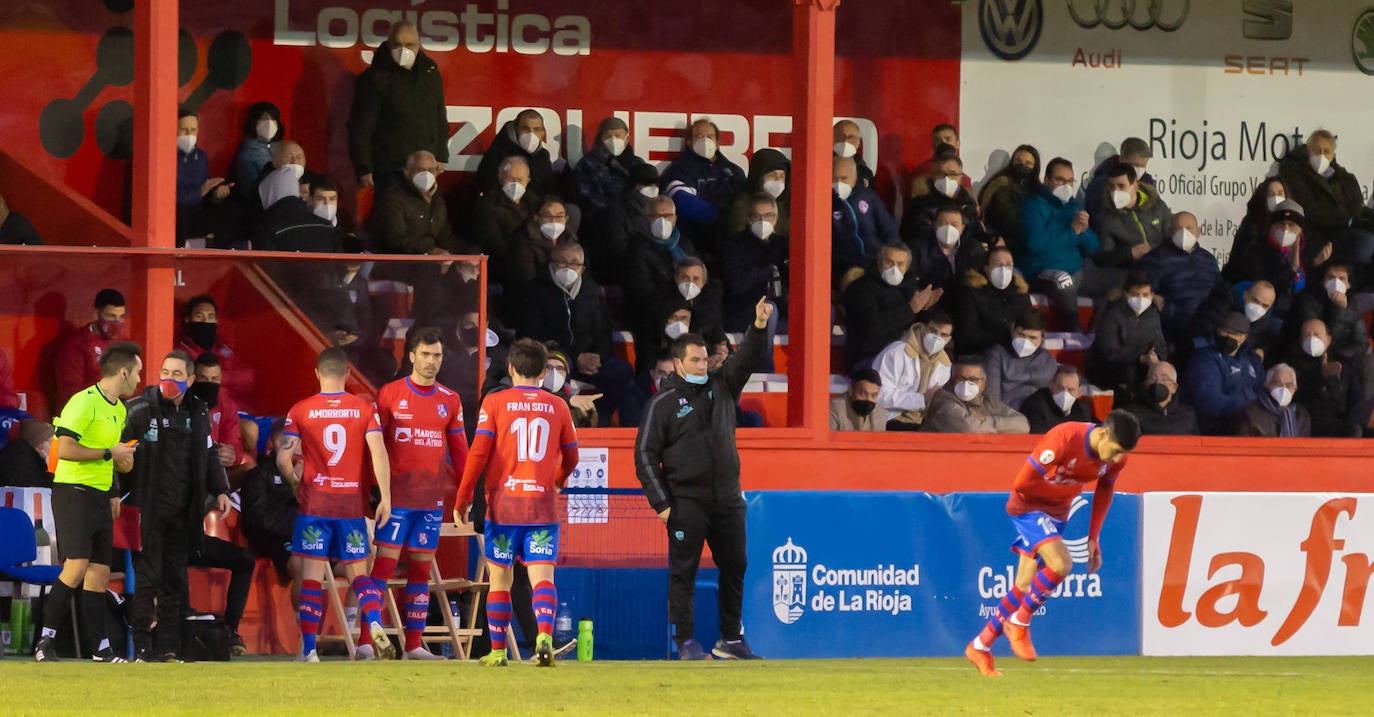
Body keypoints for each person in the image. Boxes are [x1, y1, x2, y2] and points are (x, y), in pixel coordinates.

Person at [634, 297, 772, 661]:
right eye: (693, 359)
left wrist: (758, 326)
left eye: (704, 358)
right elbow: (644, 456)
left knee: (736, 565)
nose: (701, 364)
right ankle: (686, 642)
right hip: (685, 502)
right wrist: (663, 505)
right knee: (685, 571)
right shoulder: (661, 404)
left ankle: (730, 638)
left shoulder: (724, 384)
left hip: (728, 499)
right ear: (678, 363)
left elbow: (747, 358)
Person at [964, 410, 1141, 677]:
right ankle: (1020, 622)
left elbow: (1105, 489)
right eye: (1114, 451)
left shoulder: (1116, 457)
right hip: (1028, 507)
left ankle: (980, 645)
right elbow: (1022, 483)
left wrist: (1094, 536)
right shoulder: (1065, 437)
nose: (1116, 459)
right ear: (1103, 433)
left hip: (1057, 513)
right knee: (1061, 563)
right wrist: (1063, 491)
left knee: (1023, 583)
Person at [454, 338, 580, 667]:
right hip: (542, 505)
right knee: (542, 579)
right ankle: (544, 638)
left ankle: (497, 651)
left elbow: (478, 453)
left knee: (500, 580)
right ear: (542, 371)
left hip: (504, 506)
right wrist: (559, 479)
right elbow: (573, 456)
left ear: (511, 369)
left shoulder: (495, 403)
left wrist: (463, 496)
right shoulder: (558, 406)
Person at [356, 327, 468, 661]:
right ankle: (366, 641)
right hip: (396, 501)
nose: (432, 362)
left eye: (437, 356)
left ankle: (414, 645)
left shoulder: (450, 399)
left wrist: (466, 495)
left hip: (430, 502)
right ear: (411, 356)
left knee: (420, 573)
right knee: (383, 570)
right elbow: (373, 448)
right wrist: (373, 492)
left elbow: (461, 451)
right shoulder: (390, 395)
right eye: (426, 355)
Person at [277, 348, 394, 662]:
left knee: (312, 576)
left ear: (317, 373)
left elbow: (283, 459)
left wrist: (294, 482)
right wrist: (385, 497)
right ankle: (374, 622)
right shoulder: (363, 408)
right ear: (347, 374)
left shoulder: (300, 410)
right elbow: (379, 453)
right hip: (349, 506)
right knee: (359, 575)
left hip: (315, 504)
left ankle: (309, 650)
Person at [34, 341, 142, 662]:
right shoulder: (82, 403)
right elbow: (63, 449)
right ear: (123, 372)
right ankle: (45, 642)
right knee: (77, 566)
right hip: (73, 492)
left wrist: (114, 486)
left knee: (99, 573)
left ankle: (102, 650)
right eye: (137, 372)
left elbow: (118, 460)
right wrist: (111, 453)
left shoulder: (120, 410)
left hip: (99, 496)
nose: (139, 379)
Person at [121, 350, 231, 662]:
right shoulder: (140, 408)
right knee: (147, 580)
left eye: (177, 374)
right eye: (165, 372)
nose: (169, 379)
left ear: (191, 380)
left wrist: (221, 489)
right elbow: (118, 454)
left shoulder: (199, 411)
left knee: (174, 582)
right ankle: (142, 647)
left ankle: (168, 648)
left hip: (184, 513)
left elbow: (210, 454)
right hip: (147, 510)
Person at [517, 241, 632, 425]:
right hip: (554, 358)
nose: (568, 267)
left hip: (587, 361)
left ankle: (599, 420)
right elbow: (533, 335)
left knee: (621, 371)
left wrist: (597, 357)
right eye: (562, 261)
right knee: (555, 371)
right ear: (551, 264)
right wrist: (574, 357)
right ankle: (560, 423)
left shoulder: (592, 291)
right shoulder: (535, 291)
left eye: (574, 263)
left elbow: (603, 331)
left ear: (582, 268)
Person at [348, 21, 450, 190]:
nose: (403, 50)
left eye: (409, 44)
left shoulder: (429, 71)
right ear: (389, 44)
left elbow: (439, 114)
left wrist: (440, 155)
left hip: (425, 167)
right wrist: (364, 167)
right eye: (397, 44)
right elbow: (361, 127)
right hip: (390, 167)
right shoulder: (375, 78)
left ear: (418, 45)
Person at [1019, 158, 1099, 331]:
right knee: (1063, 281)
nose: (1066, 185)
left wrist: (1083, 231)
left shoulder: (1074, 205)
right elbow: (1035, 244)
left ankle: (1098, 331)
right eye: (1060, 180)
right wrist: (1072, 232)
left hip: (1076, 270)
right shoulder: (1032, 205)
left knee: (1115, 280)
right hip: (1042, 270)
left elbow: (1093, 248)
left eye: (1070, 181)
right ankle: (1074, 332)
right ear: (1047, 180)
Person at [842, 243, 941, 370]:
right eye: (889, 262)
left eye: (900, 264)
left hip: (904, 356)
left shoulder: (909, 287)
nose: (894, 268)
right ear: (879, 262)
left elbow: (916, 325)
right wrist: (910, 309)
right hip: (868, 358)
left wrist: (926, 308)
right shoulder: (860, 288)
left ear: (907, 267)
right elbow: (871, 327)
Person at [1277, 129, 1369, 264]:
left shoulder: (1344, 178)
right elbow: (1311, 210)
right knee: (1363, 246)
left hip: (1343, 233)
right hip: (1313, 235)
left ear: (1333, 155)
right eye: (1316, 150)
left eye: (1326, 151)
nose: (1321, 155)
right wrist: (1345, 218)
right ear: (1307, 151)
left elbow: (1356, 208)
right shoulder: (1294, 175)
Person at [659, 118, 746, 258]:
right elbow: (682, 201)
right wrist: (723, 218)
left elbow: (745, 201)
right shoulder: (679, 169)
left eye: (710, 136)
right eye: (699, 136)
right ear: (688, 141)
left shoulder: (733, 171)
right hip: (693, 243)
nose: (705, 140)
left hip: (729, 244)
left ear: (717, 143)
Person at [1137, 211, 1221, 350]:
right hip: (1173, 332)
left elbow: (1220, 293)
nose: (1184, 233)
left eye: (1189, 228)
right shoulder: (1155, 259)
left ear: (1198, 231)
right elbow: (1147, 294)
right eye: (1178, 228)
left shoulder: (1208, 259)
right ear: (1170, 231)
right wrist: (1168, 310)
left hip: (1206, 330)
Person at [1085, 164, 1171, 298]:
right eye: (1112, 187)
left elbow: (1169, 238)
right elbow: (1103, 258)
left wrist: (1155, 251)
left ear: (1135, 185)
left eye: (1121, 186)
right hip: (1130, 274)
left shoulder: (1157, 206)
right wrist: (1130, 253)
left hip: (1162, 267)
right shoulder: (1106, 218)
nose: (1116, 191)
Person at [1222, 199, 1325, 308]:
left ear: (1300, 230)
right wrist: (1291, 269)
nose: (1286, 229)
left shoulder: (1309, 254)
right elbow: (1265, 289)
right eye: (1281, 224)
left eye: (1291, 225)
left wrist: (1312, 265)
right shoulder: (1257, 251)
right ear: (1271, 227)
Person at [1085, 272, 1168, 402]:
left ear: (1152, 296)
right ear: (1126, 294)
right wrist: (1140, 357)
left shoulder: (1153, 316)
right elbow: (1109, 351)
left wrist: (1156, 358)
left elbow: (1160, 345)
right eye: (1135, 294)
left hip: (1141, 368)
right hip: (1109, 370)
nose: (1140, 299)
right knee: (1129, 374)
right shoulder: (1111, 314)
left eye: (1145, 295)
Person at [1278, 319, 1363, 438]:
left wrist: (1332, 379)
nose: (1312, 339)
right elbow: (1294, 396)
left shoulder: (1343, 363)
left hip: (1338, 421)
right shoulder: (1291, 364)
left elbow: (1354, 398)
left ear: (1328, 340)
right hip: (1306, 420)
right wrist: (1319, 376)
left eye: (1316, 335)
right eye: (1306, 335)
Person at [1184, 312, 1264, 435]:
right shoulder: (1204, 358)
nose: (1228, 337)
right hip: (1217, 429)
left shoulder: (1252, 359)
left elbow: (1262, 390)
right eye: (1225, 331)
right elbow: (1209, 401)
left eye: (1235, 334)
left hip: (1250, 425)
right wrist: (1248, 408)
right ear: (1217, 330)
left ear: (1244, 337)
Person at [872, 316, 954, 431]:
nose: (937, 338)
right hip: (890, 421)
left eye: (944, 335)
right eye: (933, 331)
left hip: (924, 424)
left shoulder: (945, 365)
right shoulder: (896, 352)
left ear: (949, 339)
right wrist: (921, 399)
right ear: (923, 328)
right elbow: (879, 395)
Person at [723, 193, 788, 334]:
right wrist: (767, 269)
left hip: (781, 311)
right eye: (757, 216)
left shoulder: (783, 244)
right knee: (768, 310)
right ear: (748, 219)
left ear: (776, 219)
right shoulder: (734, 245)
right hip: (745, 312)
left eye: (768, 216)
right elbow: (737, 285)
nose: (763, 221)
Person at [176, 295, 255, 410]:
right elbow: (188, 384)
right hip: (211, 415)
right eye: (199, 316)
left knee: (283, 422)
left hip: (239, 410)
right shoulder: (181, 351)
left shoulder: (222, 348)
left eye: (210, 317)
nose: (205, 322)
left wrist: (220, 377)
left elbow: (249, 378)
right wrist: (225, 381)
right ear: (188, 319)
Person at [55, 289, 129, 407]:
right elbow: (71, 392)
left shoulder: (123, 344)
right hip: (89, 412)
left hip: (119, 410)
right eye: (111, 316)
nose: (116, 322)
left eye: (121, 317)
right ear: (96, 314)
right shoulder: (77, 345)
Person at [832, 156, 900, 282]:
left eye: (844, 178)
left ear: (854, 178)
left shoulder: (867, 197)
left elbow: (888, 229)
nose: (839, 183)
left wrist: (892, 255)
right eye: (834, 178)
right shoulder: (825, 202)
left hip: (875, 263)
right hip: (842, 268)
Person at [955, 247, 1032, 356]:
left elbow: (1031, 327)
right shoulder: (971, 293)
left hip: (1013, 357)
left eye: (1008, 264)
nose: (1003, 269)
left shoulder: (1021, 295)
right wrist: (1008, 335)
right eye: (998, 264)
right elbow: (967, 334)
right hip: (979, 356)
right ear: (986, 269)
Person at [924, 355, 1030, 434]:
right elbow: (968, 428)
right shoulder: (942, 401)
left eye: (973, 379)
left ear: (983, 383)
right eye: (960, 378)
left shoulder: (989, 402)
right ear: (952, 380)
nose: (966, 383)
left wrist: (985, 420)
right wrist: (1000, 425)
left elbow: (1023, 425)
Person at [175, 109, 235, 247]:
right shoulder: (164, 155)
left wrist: (216, 195)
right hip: (177, 217)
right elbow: (167, 197)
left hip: (197, 212)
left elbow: (206, 191)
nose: (189, 135)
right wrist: (201, 191)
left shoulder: (200, 156)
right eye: (184, 130)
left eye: (193, 130)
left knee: (231, 210)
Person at [573, 116, 650, 223]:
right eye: (608, 136)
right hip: (599, 223)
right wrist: (615, 211)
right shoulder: (587, 164)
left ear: (627, 139)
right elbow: (586, 197)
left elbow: (647, 195)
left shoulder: (637, 164)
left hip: (634, 224)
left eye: (618, 136)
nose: (613, 140)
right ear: (600, 138)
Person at [902, 153, 982, 252]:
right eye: (940, 173)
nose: (946, 178)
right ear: (933, 176)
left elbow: (976, 231)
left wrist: (991, 239)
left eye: (952, 174)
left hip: (964, 256)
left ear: (960, 177)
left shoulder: (968, 204)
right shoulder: (920, 204)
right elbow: (917, 235)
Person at [475, 109, 559, 199]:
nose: (531, 134)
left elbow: (548, 191)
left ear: (542, 132)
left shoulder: (543, 156)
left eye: (536, 129)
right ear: (515, 129)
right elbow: (486, 186)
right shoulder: (496, 153)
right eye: (525, 129)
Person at [984, 309, 1056, 412]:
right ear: (1012, 328)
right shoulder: (996, 355)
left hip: (1037, 417)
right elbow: (992, 399)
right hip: (1005, 417)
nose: (1025, 342)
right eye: (1021, 335)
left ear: (1042, 338)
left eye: (1033, 338)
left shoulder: (1048, 361)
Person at [977, 145, 1040, 249]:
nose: (1022, 165)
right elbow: (1006, 218)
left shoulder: (1037, 189)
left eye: (1028, 163)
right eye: (1018, 161)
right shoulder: (1002, 182)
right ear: (1012, 162)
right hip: (1001, 240)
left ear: (1035, 167)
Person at [508, 196, 577, 288]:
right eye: (547, 216)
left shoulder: (569, 238)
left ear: (566, 219)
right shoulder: (523, 241)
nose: (554, 221)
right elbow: (527, 278)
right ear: (537, 218)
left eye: (559, 216)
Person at [1120, 361, 1198, 436]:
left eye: (1164, 379)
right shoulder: (1131, 414)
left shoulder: (1188, 416)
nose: (1158, 382)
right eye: (1153, 378)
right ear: (1146, 384)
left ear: (1174, 387)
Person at [726, 148, 789, 237]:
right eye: (772, 175)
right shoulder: (742, 205)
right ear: (759, 176)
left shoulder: (783, 204)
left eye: (782, 176)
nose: (778, 180)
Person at [1235, 364, 1311, 437]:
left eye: (1289, 385)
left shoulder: (1301, 414)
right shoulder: (1250, 413)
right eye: (1278, 384)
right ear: (1267, 385)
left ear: (1295, 389)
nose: (1283, 389)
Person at [1084, 136, 1154, 216]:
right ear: (1121, 159)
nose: (1138, 170)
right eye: (1134, 165)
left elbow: (1157, 213)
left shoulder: (1148, 183)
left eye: (1142, 166)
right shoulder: (1100, 185)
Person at [232, 102, 283, 206]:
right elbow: (250, 190)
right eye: (263, 118)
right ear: (254, 122)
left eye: (273, 119)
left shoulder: (282, 148)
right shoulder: (247, 154)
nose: (269, 123)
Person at [1020, 365, 1094, 433]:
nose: (1065, 393)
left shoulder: (1082, 409)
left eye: (1071, 390)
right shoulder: (1035, 406)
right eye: (1060, 388)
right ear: (1051, 386)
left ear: (1079, 392)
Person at [0, 419, 54, 488]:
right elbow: (33, 488)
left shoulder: (30, 457)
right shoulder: (20, 456)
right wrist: (50, 470)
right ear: (39, 444)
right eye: (50, 443)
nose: (53, 448)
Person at [832, 119, 875, 189]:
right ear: (832, 138)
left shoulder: (866, 173)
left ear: (858, 142)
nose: (845, 140)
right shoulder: (819, 166)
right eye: (840, 136)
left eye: (851, 137)